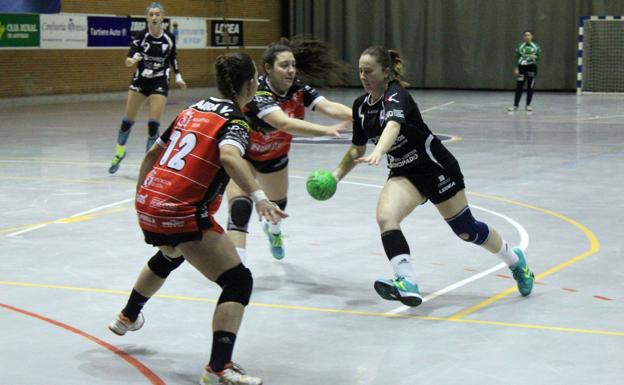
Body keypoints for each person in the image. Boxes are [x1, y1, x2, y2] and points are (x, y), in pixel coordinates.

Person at [109, 52, 284, 385]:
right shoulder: (235, 121)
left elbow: (151, 155)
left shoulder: (193, 109)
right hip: (179, 211)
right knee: (237, 281)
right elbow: (229, 156)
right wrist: (260, 197)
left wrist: (140, 200)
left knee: (171, 253)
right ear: (250, 84)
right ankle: (219, 367)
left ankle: (127, 316)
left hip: (149, 202)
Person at [332, 46, 535, 307]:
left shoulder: (397, 95)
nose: (363, 76)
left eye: (369, 71)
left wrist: (379, 151)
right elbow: (357, 148)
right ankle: (406, 281)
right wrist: (336, 176)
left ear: (385, 72)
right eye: (360, 71)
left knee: (466, 230)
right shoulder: (360, 106)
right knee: (386, 217)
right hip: (404, 172)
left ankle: (516, 262)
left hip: (435, 167)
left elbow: (393, 125)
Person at [226, 37, 352, 262]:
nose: (291, 70)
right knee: (240, 208)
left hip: (274, 155)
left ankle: (274, 233)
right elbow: (284, 123)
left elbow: (329, 107)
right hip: (244, 154)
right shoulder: (259, 92)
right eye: (284, 65)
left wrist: (362, 118)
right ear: (268, 68)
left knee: (277, 205)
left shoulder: (298, 89)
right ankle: (237, 270)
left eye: (293, 65)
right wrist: (326, 130)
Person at [108, 2, 187, 174]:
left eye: (157, 14)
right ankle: (119, 153)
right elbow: (128, 61)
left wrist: (178, 75)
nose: (154, 17)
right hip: (140, 82)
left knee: (153, 124)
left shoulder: (169, 38)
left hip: (159, 82)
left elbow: (173, 57)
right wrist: (133, 60)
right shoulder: (141, 36)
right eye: (151, 14)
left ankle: (149, 160)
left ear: (162, 17)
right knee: (127, 121)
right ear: (147, 17)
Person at [508, 31, 541, 112]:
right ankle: (515, 105)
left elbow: (539, 58)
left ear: (531, 36)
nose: (527, 37)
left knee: (530, 87)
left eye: (529, 35)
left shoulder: (536, 46)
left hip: (532, 68)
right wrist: (516, 68)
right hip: (522, 68)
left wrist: (534, 57)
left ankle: (528, 105)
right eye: (525, 35)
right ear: (524, 37)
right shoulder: (520, 46)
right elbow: (517, 57)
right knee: (519, 87)